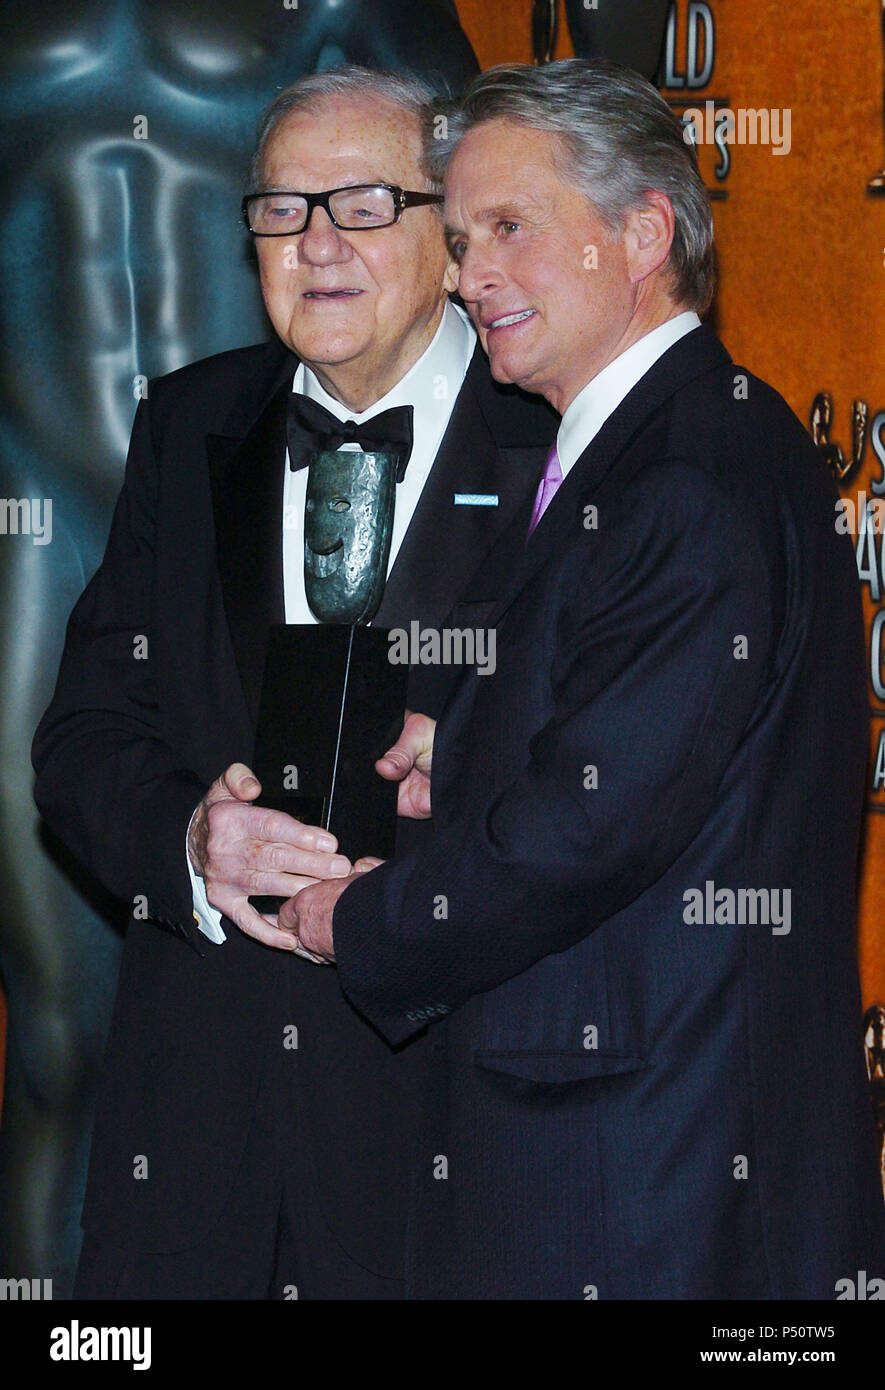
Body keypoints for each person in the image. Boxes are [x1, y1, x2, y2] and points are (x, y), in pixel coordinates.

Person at [284, 59, 885, 1299]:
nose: (467, 274)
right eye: (456, 240)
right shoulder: (655, 445)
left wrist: (359, 918)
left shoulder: (686, 475)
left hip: (644, 1182)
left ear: (643, 231)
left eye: (508, 228)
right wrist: (478, 732)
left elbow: (588, 827)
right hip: (629, 1163)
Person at [31, 65, 556, 1300]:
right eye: (282, 208)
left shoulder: (559, 438)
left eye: (364, 203)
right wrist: (191, 838)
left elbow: (614, 780)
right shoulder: (187, 423)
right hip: (197, 1142)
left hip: (451, 1144)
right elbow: (85, 737)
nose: (318, 243)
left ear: (451, 234)